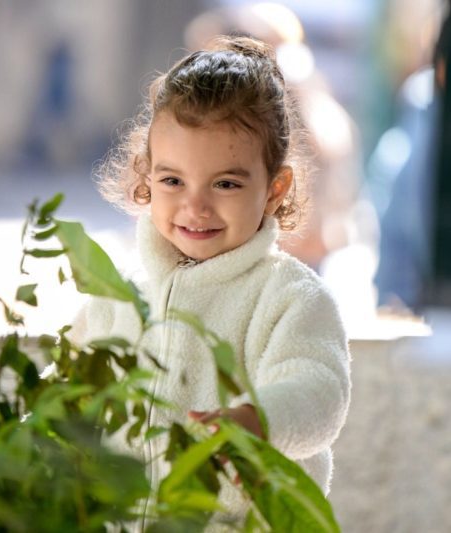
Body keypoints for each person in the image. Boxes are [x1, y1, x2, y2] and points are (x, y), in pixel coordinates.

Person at [70, 36, 351, 527]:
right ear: (146, 177)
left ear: (274, 188)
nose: (195, 207)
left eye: (225, 183)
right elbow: (73, 389)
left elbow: (319, 391)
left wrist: (258, 421)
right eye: (173, 181)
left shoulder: (288, 297)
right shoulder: (117, 296)